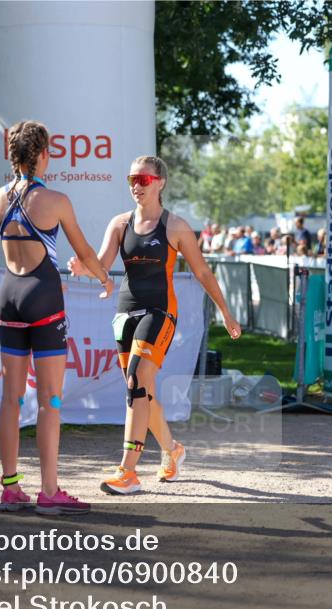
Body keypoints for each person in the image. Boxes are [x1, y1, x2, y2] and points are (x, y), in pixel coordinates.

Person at [69, 155, 241, 495]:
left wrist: (226, 311)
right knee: (140, 391)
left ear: (160, 182)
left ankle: (128, 471)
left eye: (144, 180)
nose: (136, 185)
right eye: (132, 179)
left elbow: (203, 272)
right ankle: (172, 450)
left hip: (160, 312)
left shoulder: (175, 227)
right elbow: (102, 265)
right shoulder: (120, 223)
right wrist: (83, 269)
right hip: (125, 311)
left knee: (136, 381)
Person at [0, 120, 113, 515]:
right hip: (44, 301)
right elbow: (87, 253)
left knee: (10, 398)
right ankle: (48, 491)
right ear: (43, 155)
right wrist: (103, 278)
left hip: (9, 298)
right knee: (51, 400)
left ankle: (10, 488)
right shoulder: (55, 200)